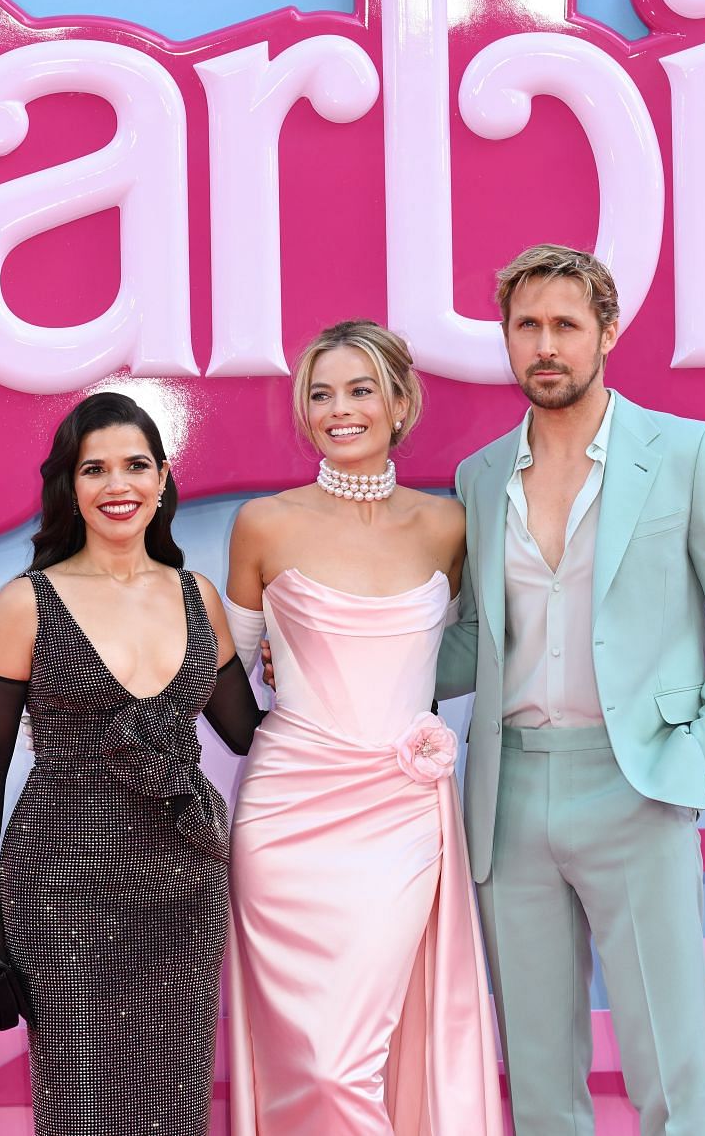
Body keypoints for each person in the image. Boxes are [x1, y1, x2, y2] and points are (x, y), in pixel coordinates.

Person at [436, 245, 705, 1135]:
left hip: (637, 782)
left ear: (607, 333)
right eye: (527, 326)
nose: (544, 345)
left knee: (671, 1075)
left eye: (565, 324)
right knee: (543, 1083)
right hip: (508, 793)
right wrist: (342, 659)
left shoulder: (685, 452)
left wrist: (702, 760)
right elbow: (475, 638)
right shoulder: (479, 478)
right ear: (506, 338)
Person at [0, 391, 264, 1136]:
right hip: (62, 885)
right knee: (81, 1102)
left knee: (174, 1099)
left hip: (184, 885)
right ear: (71, 485)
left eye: (135, 465)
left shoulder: (199, 598)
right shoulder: (26, 602)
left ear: (162, 478)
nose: (117, 484)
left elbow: (245, 730)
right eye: (95, 469)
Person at [223, 320, 505, 1135]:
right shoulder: (264, 524)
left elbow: (469, 645)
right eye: (320, 393)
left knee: (352, 1058)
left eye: (359, 389)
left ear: (400, 402)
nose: (338, 409)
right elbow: (222, 670)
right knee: (308, 1061)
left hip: (401, 817)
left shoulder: (449, 526)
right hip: (286, 820)